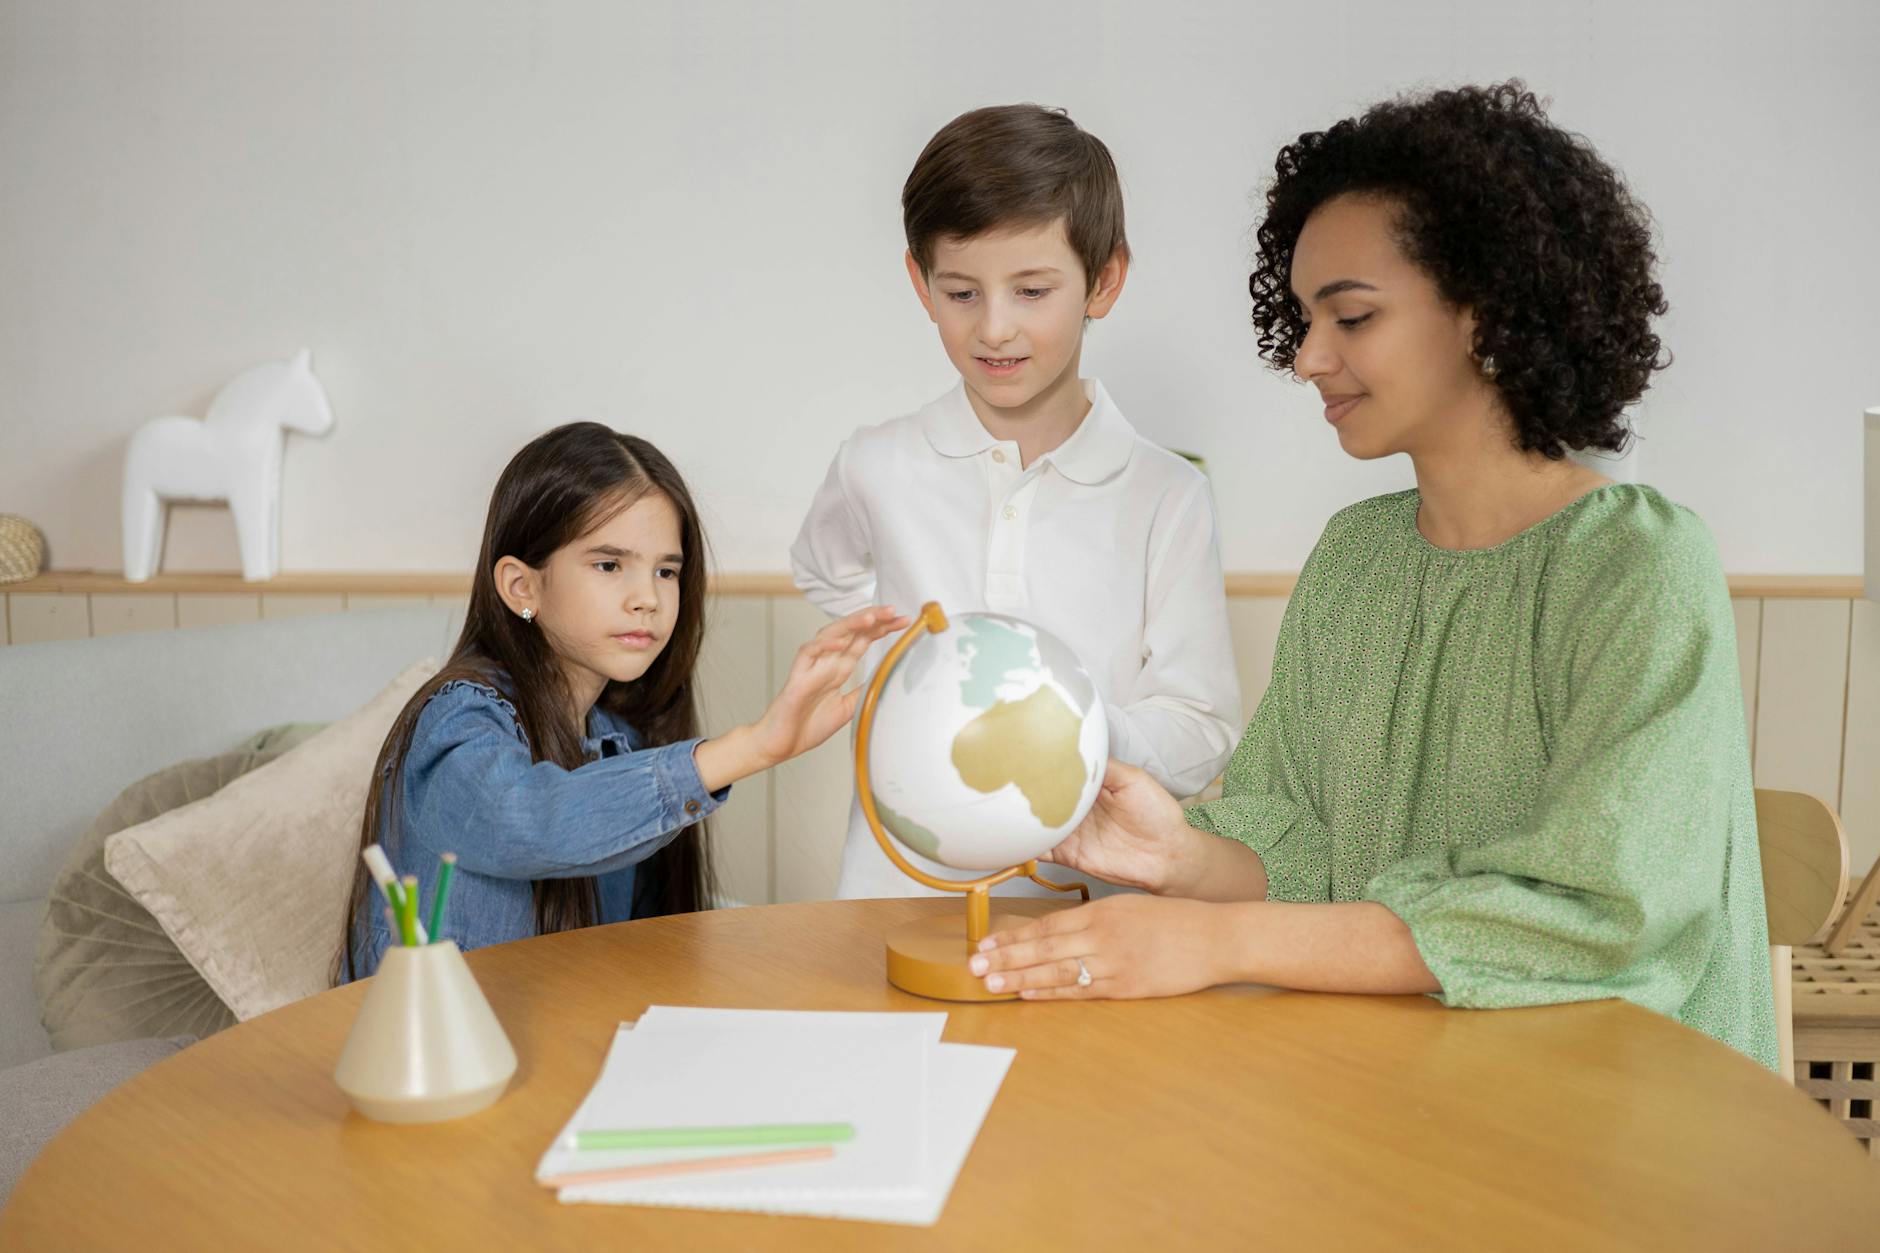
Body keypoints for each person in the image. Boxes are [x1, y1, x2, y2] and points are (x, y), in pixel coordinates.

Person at [970, 83, 1777, 1070]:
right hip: (1404, 1094)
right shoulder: (1356, 558)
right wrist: (1179, 853)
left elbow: (1604, 913)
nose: (1309, 356)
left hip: (1622, 1114)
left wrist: (1217, 941)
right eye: (1304, 318)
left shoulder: (1638, 566)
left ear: (1485, 310)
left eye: (1351, 316)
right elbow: (1309, 853)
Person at [791, 103, 1241, 899]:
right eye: (962, 292)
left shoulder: (1168, 496)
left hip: (1086, 908)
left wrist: (1065, 723)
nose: (995, 328)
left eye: (1032, 290)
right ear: (921, 283)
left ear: (1104, 280)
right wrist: (905, 672)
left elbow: (1203, 728)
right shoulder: (876, 463)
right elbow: (822, 569)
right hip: (893, 897)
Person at [339, 422, 903, 979]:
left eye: (666, 571)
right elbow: (531, 822)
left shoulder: (617, 739)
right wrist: (752, 748)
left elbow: (626, 947)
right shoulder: (457, 719)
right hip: (430, 1038)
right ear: (521, 587)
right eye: (609, 565)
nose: (647, 598)